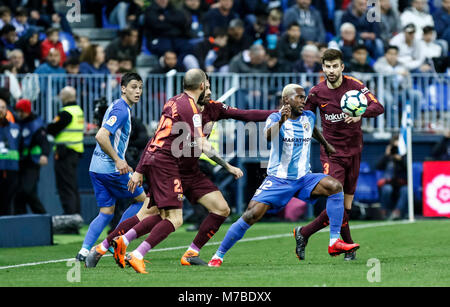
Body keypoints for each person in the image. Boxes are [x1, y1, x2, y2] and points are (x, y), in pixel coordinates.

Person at [85, 70, 276, 272]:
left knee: (221, 209)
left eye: (211, 87)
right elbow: (164, 138)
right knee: (153, 215)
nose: (210, 92)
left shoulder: (213, 108)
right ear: (200, 86)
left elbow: (244, 114)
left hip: (191, 171)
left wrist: (275, 114)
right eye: (207, 87)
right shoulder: (188, 108)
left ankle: (191, 253)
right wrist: (227, 166)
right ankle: (104, 247)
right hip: (170, 167)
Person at [208, 84, 360, 267]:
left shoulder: (309, 117)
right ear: (286, 100)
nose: (303, 101)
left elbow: (312, 130)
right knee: (251, 214)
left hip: (304, 178)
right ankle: (218, 254)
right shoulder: (275, 117)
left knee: (335, 187)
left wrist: (326, 145)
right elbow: (268, 136)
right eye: (299, 97)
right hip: (279, 179)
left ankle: (334, 241)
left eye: (304, 97)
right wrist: (281, 120)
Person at [293, 49, 384, 261]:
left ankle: (304, 233)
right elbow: (305, 118)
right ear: (323, 68)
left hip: (355, 151)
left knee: (346, 208)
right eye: (327, 66)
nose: (331, 70)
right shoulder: (316, 92)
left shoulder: (355, 86)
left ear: (342, 67)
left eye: (335, 66)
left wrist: (361, 112)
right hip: (332, 153)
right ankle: (348, 249)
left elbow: (378, 107)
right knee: (337, 197)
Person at [75, 73, 147, 262]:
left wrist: (120, 158)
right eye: (133, 87)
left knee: (106, 212)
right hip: (110, 170)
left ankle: (83, 251)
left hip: (95, 168)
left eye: (140, 87)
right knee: (143, 201)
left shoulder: (116, 104)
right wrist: (117, 160)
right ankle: (114, 240)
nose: (138, 91)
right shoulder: (122, 110)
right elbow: (101, 136)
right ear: (123, 88)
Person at [46, 87, 84, 217]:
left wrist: (48, 127)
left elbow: (51, 129)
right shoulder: (79, 111)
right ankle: (76, 215)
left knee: (65, 187)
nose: (60, 98)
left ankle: (70, 216)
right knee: (72, 186)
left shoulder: (66, 113)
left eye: (61, 95)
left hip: (65, 153)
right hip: (75, 152)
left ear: (66, 97)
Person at [13, 99, 49, 215]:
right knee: (20, 193)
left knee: (27, 191)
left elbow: (44, 142)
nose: (19, 114)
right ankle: (21, 220)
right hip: (20, 162)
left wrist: (44, 155)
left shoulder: (36, 125)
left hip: (32, 163)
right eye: (18, 111)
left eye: (21, 111)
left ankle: (43, 217)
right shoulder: (19, 122)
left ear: (27, 111)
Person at [376, 134, 408, 220]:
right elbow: (378, 166)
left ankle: (397, 212)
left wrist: (400, 160)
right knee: (387, 189)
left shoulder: (404, 156)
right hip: (388, 182)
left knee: (406, 190)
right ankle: (384, 211)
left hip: (400, 183)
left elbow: (407, 168)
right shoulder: (387, 157)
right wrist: (386, 155)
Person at [0, 97, 20, 215]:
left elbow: (21, 146)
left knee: (8, 201)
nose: (0, 110)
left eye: (3, 107)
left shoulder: (15, 127)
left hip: (11, 169)